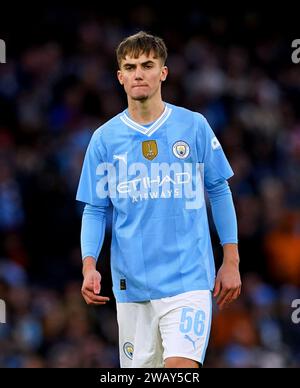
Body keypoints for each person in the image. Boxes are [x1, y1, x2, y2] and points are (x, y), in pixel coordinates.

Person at [76, 31, 241, 368]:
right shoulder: (104, 140)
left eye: (147, 65)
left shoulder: (193, 126)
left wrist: (231, 260)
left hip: (189, 280)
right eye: (130, 66)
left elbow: (219, 191)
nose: (139, 73)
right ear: (120, 77)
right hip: (132, 286)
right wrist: (89, 264)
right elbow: (95, 208)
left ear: (162, 72)